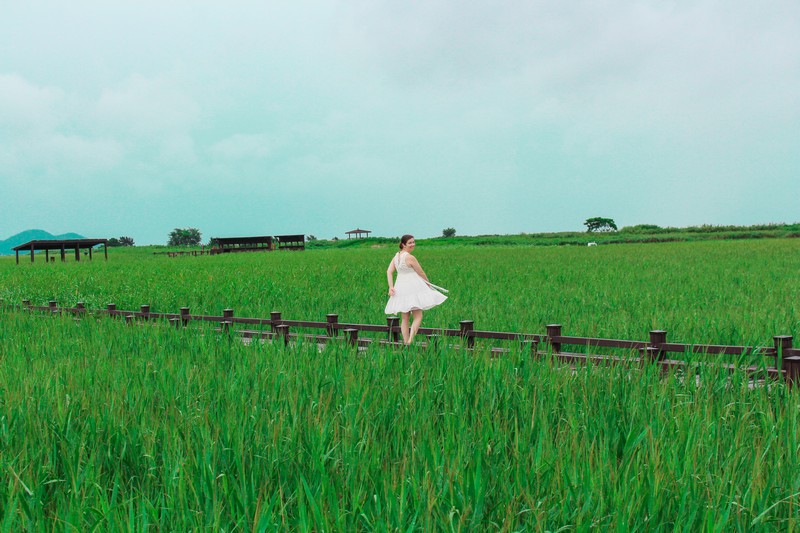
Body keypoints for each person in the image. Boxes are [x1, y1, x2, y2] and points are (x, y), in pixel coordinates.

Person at [385, 234, 447, 344]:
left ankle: (406, 342)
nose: (413, 244)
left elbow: (389, 271)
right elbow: (420, 272)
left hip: (401, 287)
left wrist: (391, 287)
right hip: (412, 287)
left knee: (405, 318)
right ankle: (410, 341)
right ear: (403, 244)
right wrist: (428, 284)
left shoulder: (396, 257)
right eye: (410, 243)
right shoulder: (409, 257)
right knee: (418, 316)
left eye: (413, 242)